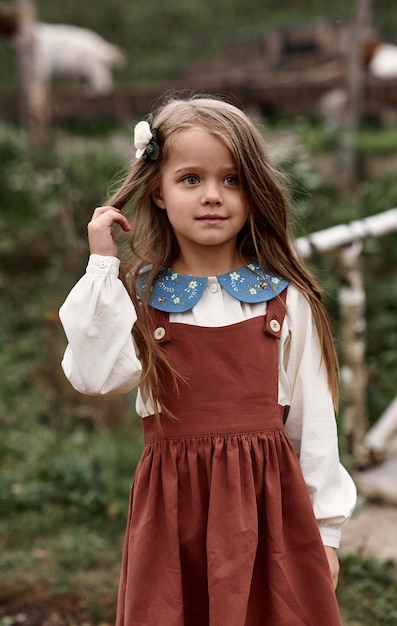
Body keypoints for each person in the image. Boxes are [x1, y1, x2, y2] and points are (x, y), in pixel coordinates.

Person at [59, 93, 357, 626]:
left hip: (271, 518)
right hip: (174, 520)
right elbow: (95, 375)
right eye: (191, 179)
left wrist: (326, 533)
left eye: (232, 179)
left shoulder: (283, 301)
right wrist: (103, 265)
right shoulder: (137, 299)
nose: (213, 196)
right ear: (156, 191)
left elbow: (312, 426)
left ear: (253, 190)